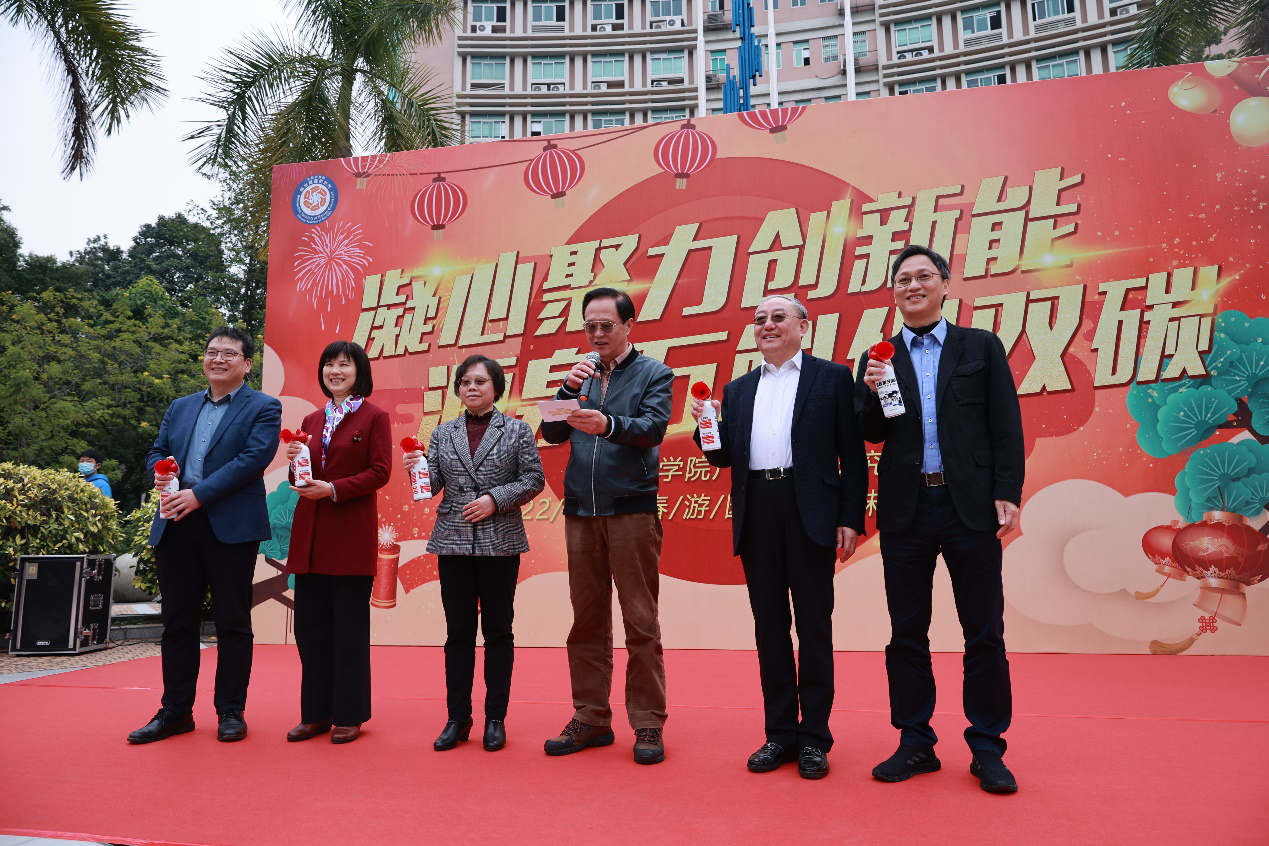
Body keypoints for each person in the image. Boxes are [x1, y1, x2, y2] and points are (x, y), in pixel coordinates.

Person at [855, 245, 1025, 794]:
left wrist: (1006, 491)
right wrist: (871, 389)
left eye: (924, 276)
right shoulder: (878, 356)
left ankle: (987, 746)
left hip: (967, 506)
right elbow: (870, 432)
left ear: (945, 285)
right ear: (894, 292)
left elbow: (1005, 424)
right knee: (907, 631)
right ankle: (915, 741)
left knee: (984, 630)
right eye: (903, 279)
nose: (913, 285)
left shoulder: (980, 346)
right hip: (906, 509)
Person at [690, 294, 868, 780]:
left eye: (778, 317)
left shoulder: (831, 378)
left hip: (811, 509)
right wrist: (706, 423)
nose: (767, 325)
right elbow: (721, 456)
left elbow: (853, 457)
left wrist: (850, 518)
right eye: (759, 320)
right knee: (769, 628)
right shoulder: (739, 389)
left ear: (803, 326)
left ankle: (814, 738)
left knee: (813, 626)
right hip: (758, 509)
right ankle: (780, 734)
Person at [539, 286, 674, 765]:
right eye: (590, 326)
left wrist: (609, 424)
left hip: (631, 510)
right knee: (587, 618)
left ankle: (648, 721)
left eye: (606, 326)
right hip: (581, 510)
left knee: (640, 618)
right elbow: (551, 431)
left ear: (628, 325)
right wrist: (566, 389)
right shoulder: (581, 373)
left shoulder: (654, 372)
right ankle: (591, 715)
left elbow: (654, 428)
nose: (597, 334)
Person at [128, 326, 281, 744]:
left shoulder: (264, 406)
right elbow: (156, 451)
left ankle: (230, 710)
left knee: (232, 620)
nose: (218, 359)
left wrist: (199, 495)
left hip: (229, 526)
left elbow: (253, 460)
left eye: (229, 354)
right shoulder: (180, 406)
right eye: (212, 352)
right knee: (177, 622)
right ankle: (176, 711)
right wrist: (161, 472)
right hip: (176, 522)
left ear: (247, 363)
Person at [404, 354, 544, 753]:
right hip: (452, 541)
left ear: (496, 388)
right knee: (458, 633)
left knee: (498, 631)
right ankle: (457, 718)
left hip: (501, 542)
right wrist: (415, 468)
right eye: (465, 382)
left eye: (480, 381)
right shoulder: (441, 433)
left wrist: (495, 499)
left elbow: (534, 479)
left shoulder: (517, 430)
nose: (472, 387)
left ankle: (495, 719)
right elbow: (428, 489)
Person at [283, 340, 391, 745]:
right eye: (329, 364)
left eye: (344, 364)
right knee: (310, 631)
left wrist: (332, 489)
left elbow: (380, 471)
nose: (335, 371)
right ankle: (315, 713)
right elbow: (300, 478)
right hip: (311, 536)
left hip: (349, 535)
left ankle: (349, 714)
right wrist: (295, 462)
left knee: (348, 632)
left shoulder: (374, 416)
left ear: (359, 371)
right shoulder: (312, 419)